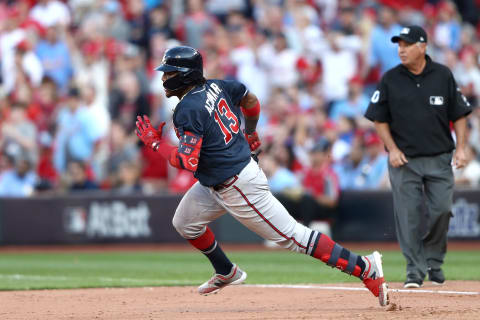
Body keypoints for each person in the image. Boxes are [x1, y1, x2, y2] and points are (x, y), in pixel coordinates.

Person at [136, 46, 389, 306]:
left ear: (185, 75)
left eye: (169, 72)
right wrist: (251, 131)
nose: (164, 78)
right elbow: (251, 100)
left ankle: (365, 267)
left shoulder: (188, 108)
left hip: (236, 184)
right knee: (185, 222)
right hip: (220, 178)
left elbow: (186, 161)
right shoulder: (218, 85)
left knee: (294, 237)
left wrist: (156, 144)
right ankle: (226, 270)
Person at [365, 26, 472, 288]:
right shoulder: (390, 78)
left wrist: (462, 147)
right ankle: (414, 269)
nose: (401, 49)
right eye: (399, 44)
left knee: (442, 211)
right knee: (408, 215)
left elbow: (459, 114)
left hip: (439, 157)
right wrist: (392, 148)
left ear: (422, 47)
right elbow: (379, 119)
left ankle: (434, 261)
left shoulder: (443, 75)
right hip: (405, 161)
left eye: (407, 44)